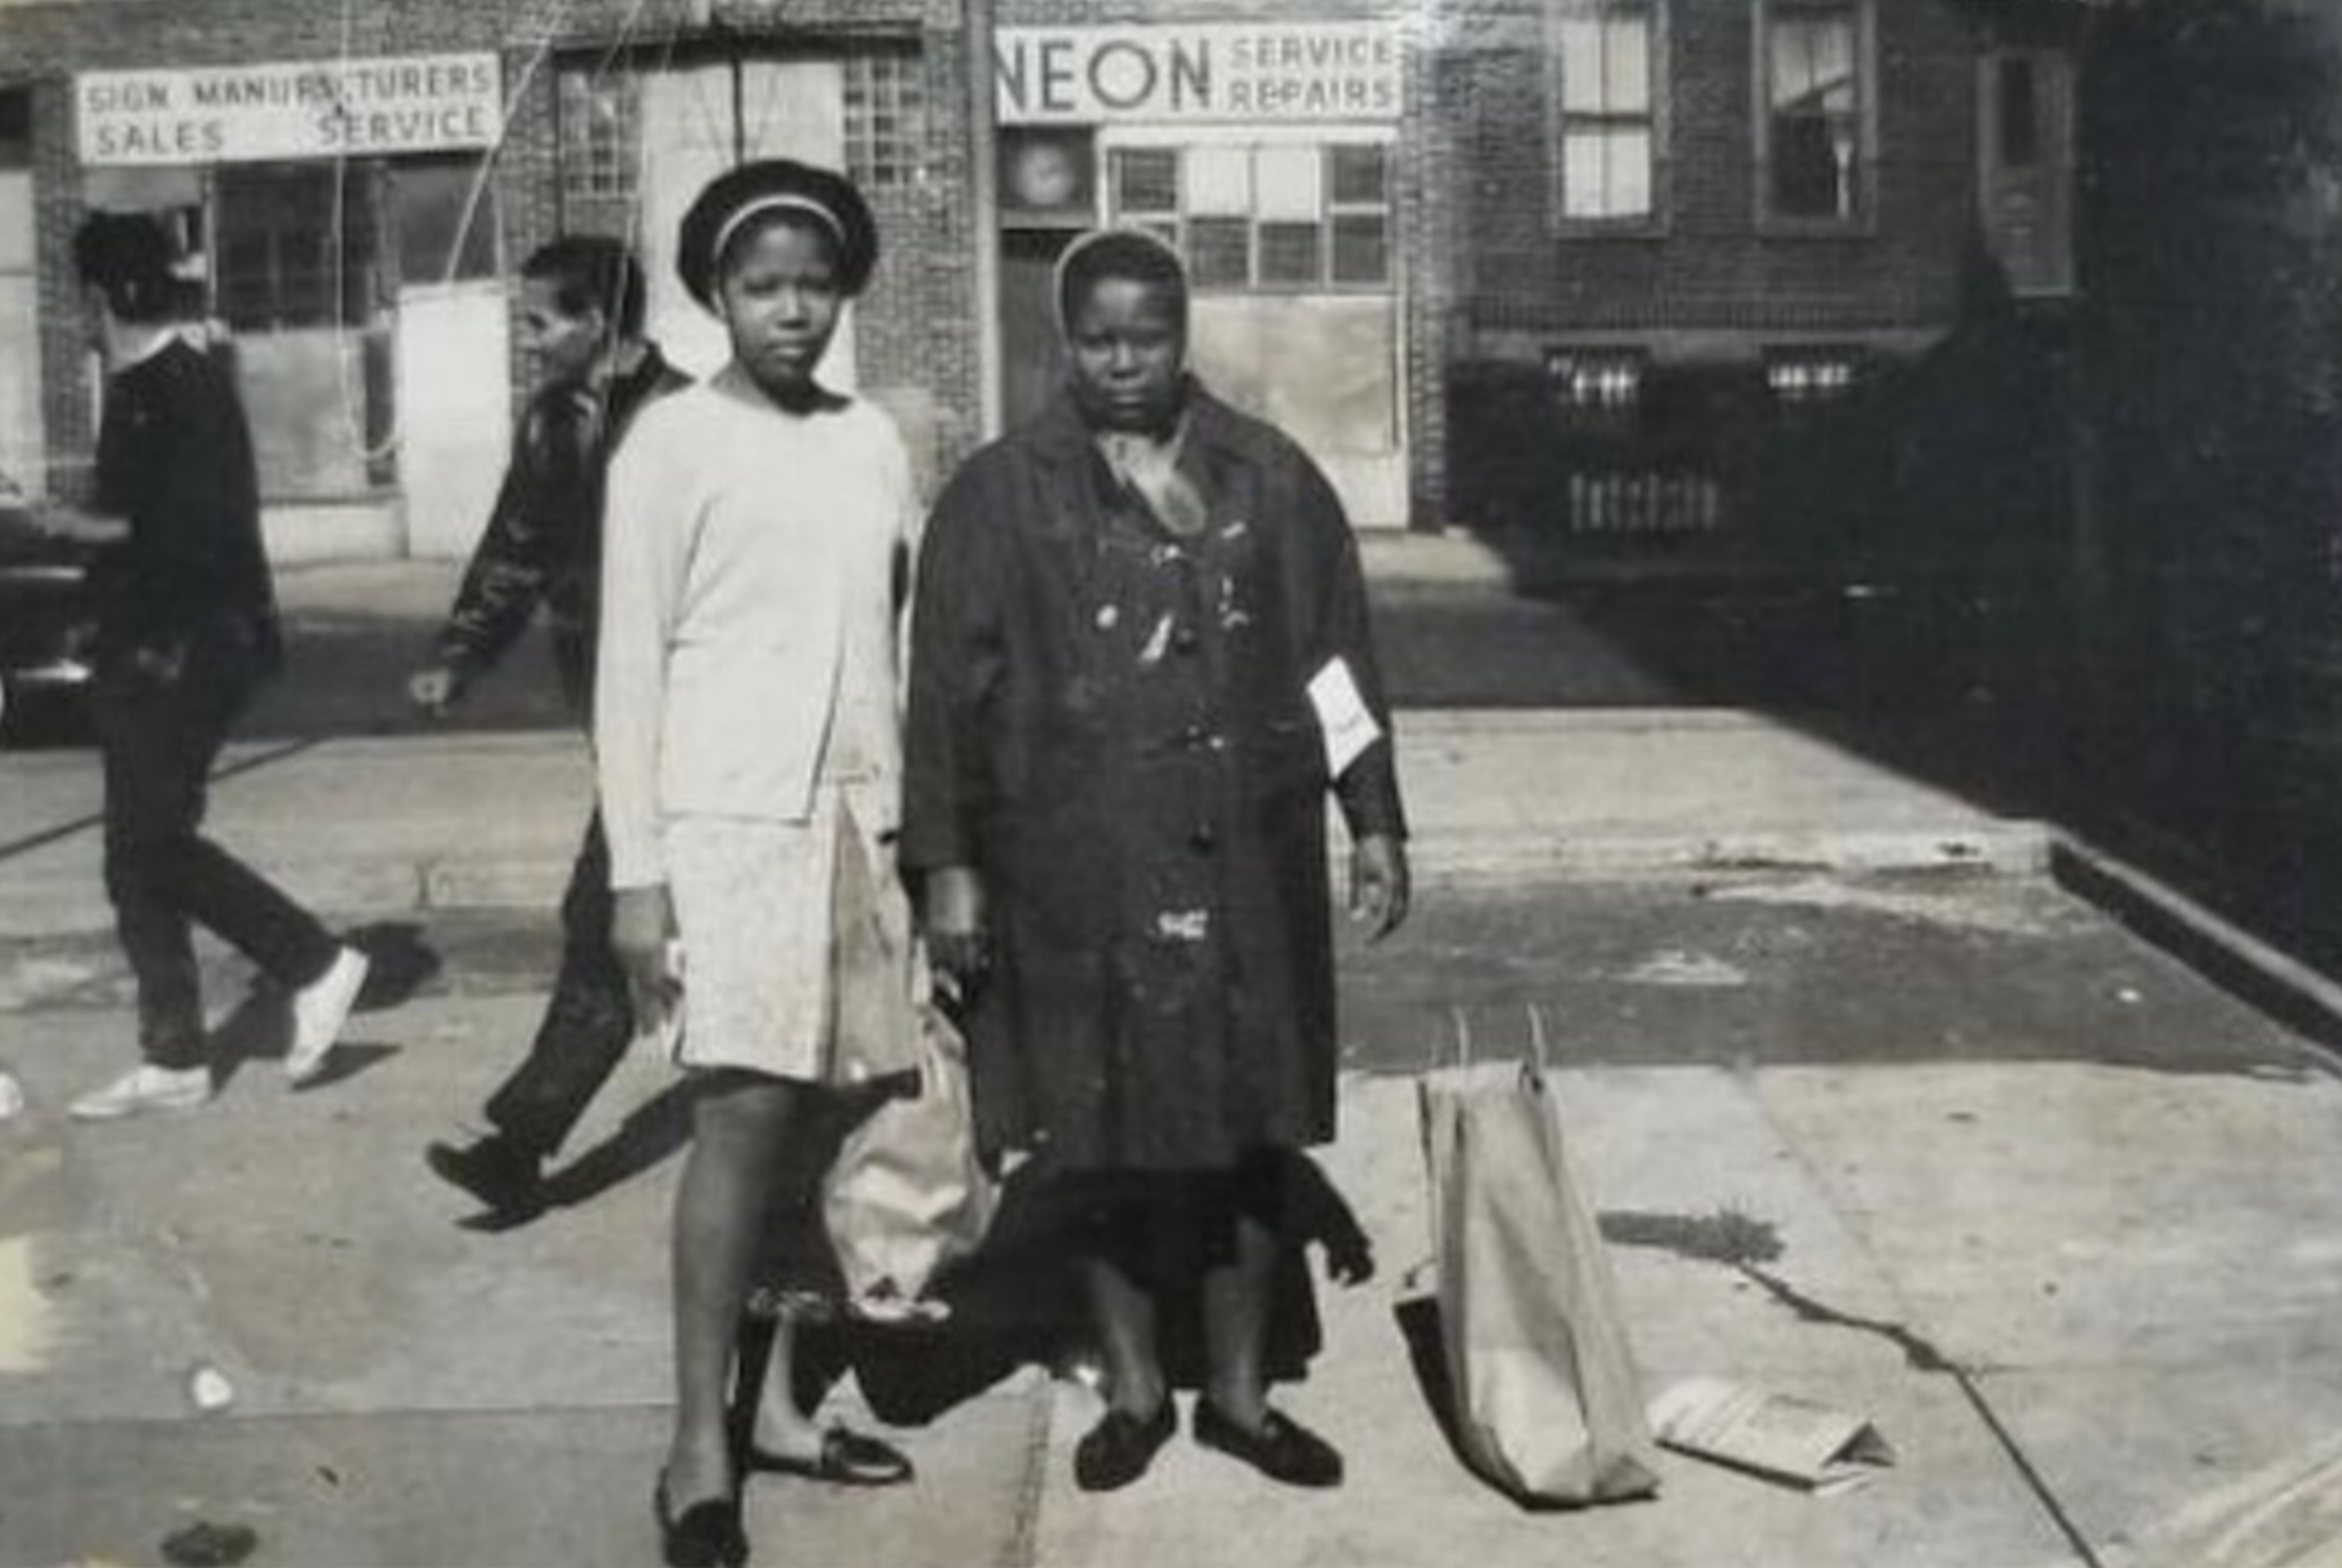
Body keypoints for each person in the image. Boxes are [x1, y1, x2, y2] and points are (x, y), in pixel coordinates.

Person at [902, 227, 1411, 1494]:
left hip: (1243, 861)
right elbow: (944, 704)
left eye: (1149, 336)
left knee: (1249, 1132)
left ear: (1185, 336)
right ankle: (1131, 1388)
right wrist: (950, 871)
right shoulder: (997, 493)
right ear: (1062, 339)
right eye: (1097, 338)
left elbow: (1335, 664)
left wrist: (1374, 815)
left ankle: (1239, 1397)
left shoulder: (1270, 479)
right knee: (1095, 1133)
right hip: (1069, 879)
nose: (1123, 361)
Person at [595, 160, 921, 1568]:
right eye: (761, 287)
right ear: (718, 297)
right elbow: (627, 667)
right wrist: (637, 870)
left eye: (813, 285)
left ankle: (785, 1402)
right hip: (724, 823)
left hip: (860, 816)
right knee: (737, 1123)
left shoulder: (872, 441)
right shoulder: (667, 443)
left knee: (838, 1128)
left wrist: (918, 827)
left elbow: (893, 642)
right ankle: (695, 1448)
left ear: (843, 292)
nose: (791, 311)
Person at [50, 212, 371, 1120]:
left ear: (104, 294)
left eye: (80, 294)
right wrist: (94, 610)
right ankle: (176, 1055)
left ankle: (313, 961)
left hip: (191, 649)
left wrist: (79, 529)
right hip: (151, 645)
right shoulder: (141, 383)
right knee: (131, 855)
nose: (75, 311)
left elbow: (191, 535)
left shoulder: (178, 384)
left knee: (151, 842)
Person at [410, 235, 688, 1220]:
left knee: (606, 909)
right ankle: (522, 1141)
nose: (527, 340)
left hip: (690, 715)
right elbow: (514, 548)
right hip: (613, 715)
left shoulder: (685, 420)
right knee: (621, 916)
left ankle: (521, 1144)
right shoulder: (551, 422)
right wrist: (459, 654)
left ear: (600, 325)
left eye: (541, 321)